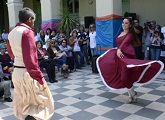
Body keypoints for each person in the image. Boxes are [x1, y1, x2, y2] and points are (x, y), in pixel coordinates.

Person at [96, 17, 164, 104]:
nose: (124, 24)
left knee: (124, 77)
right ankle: (132, 95)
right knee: (121, 76)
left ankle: (132, 94)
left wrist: (119, 49)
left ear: (130, 25)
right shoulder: (121, 33)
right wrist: (117, 50)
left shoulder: (130, 35)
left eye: (126, 23)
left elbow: (125, 43)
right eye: (123, 23)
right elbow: (119, 43)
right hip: (118, 58)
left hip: (126, 59)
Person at [7, 7, 54, 120]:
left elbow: (11, 53)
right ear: (29, 19)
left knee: (25, 106)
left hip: (17, 72)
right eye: (34, 20)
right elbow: (31, 60)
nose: (34, 22)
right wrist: (40, 78)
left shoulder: (12, 32)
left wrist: (19, 59)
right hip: (27, 73)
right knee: (40, 106)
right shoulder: (27, 32)